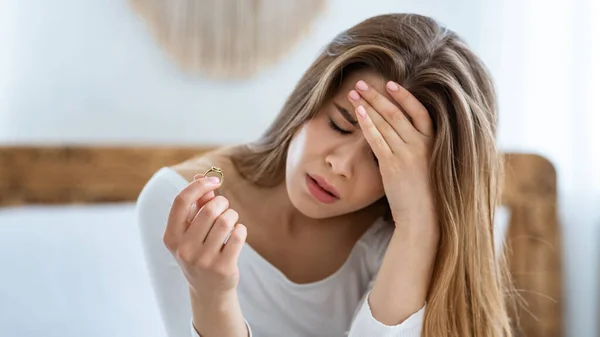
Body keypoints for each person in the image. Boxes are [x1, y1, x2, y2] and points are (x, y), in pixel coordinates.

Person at [136, 13, 514, 337]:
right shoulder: (180, 201)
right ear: (310, 100)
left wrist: (418, 223)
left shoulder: (401, 234)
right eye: (340, 124)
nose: (341, 164)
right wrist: (212, 295)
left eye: (383, 160)